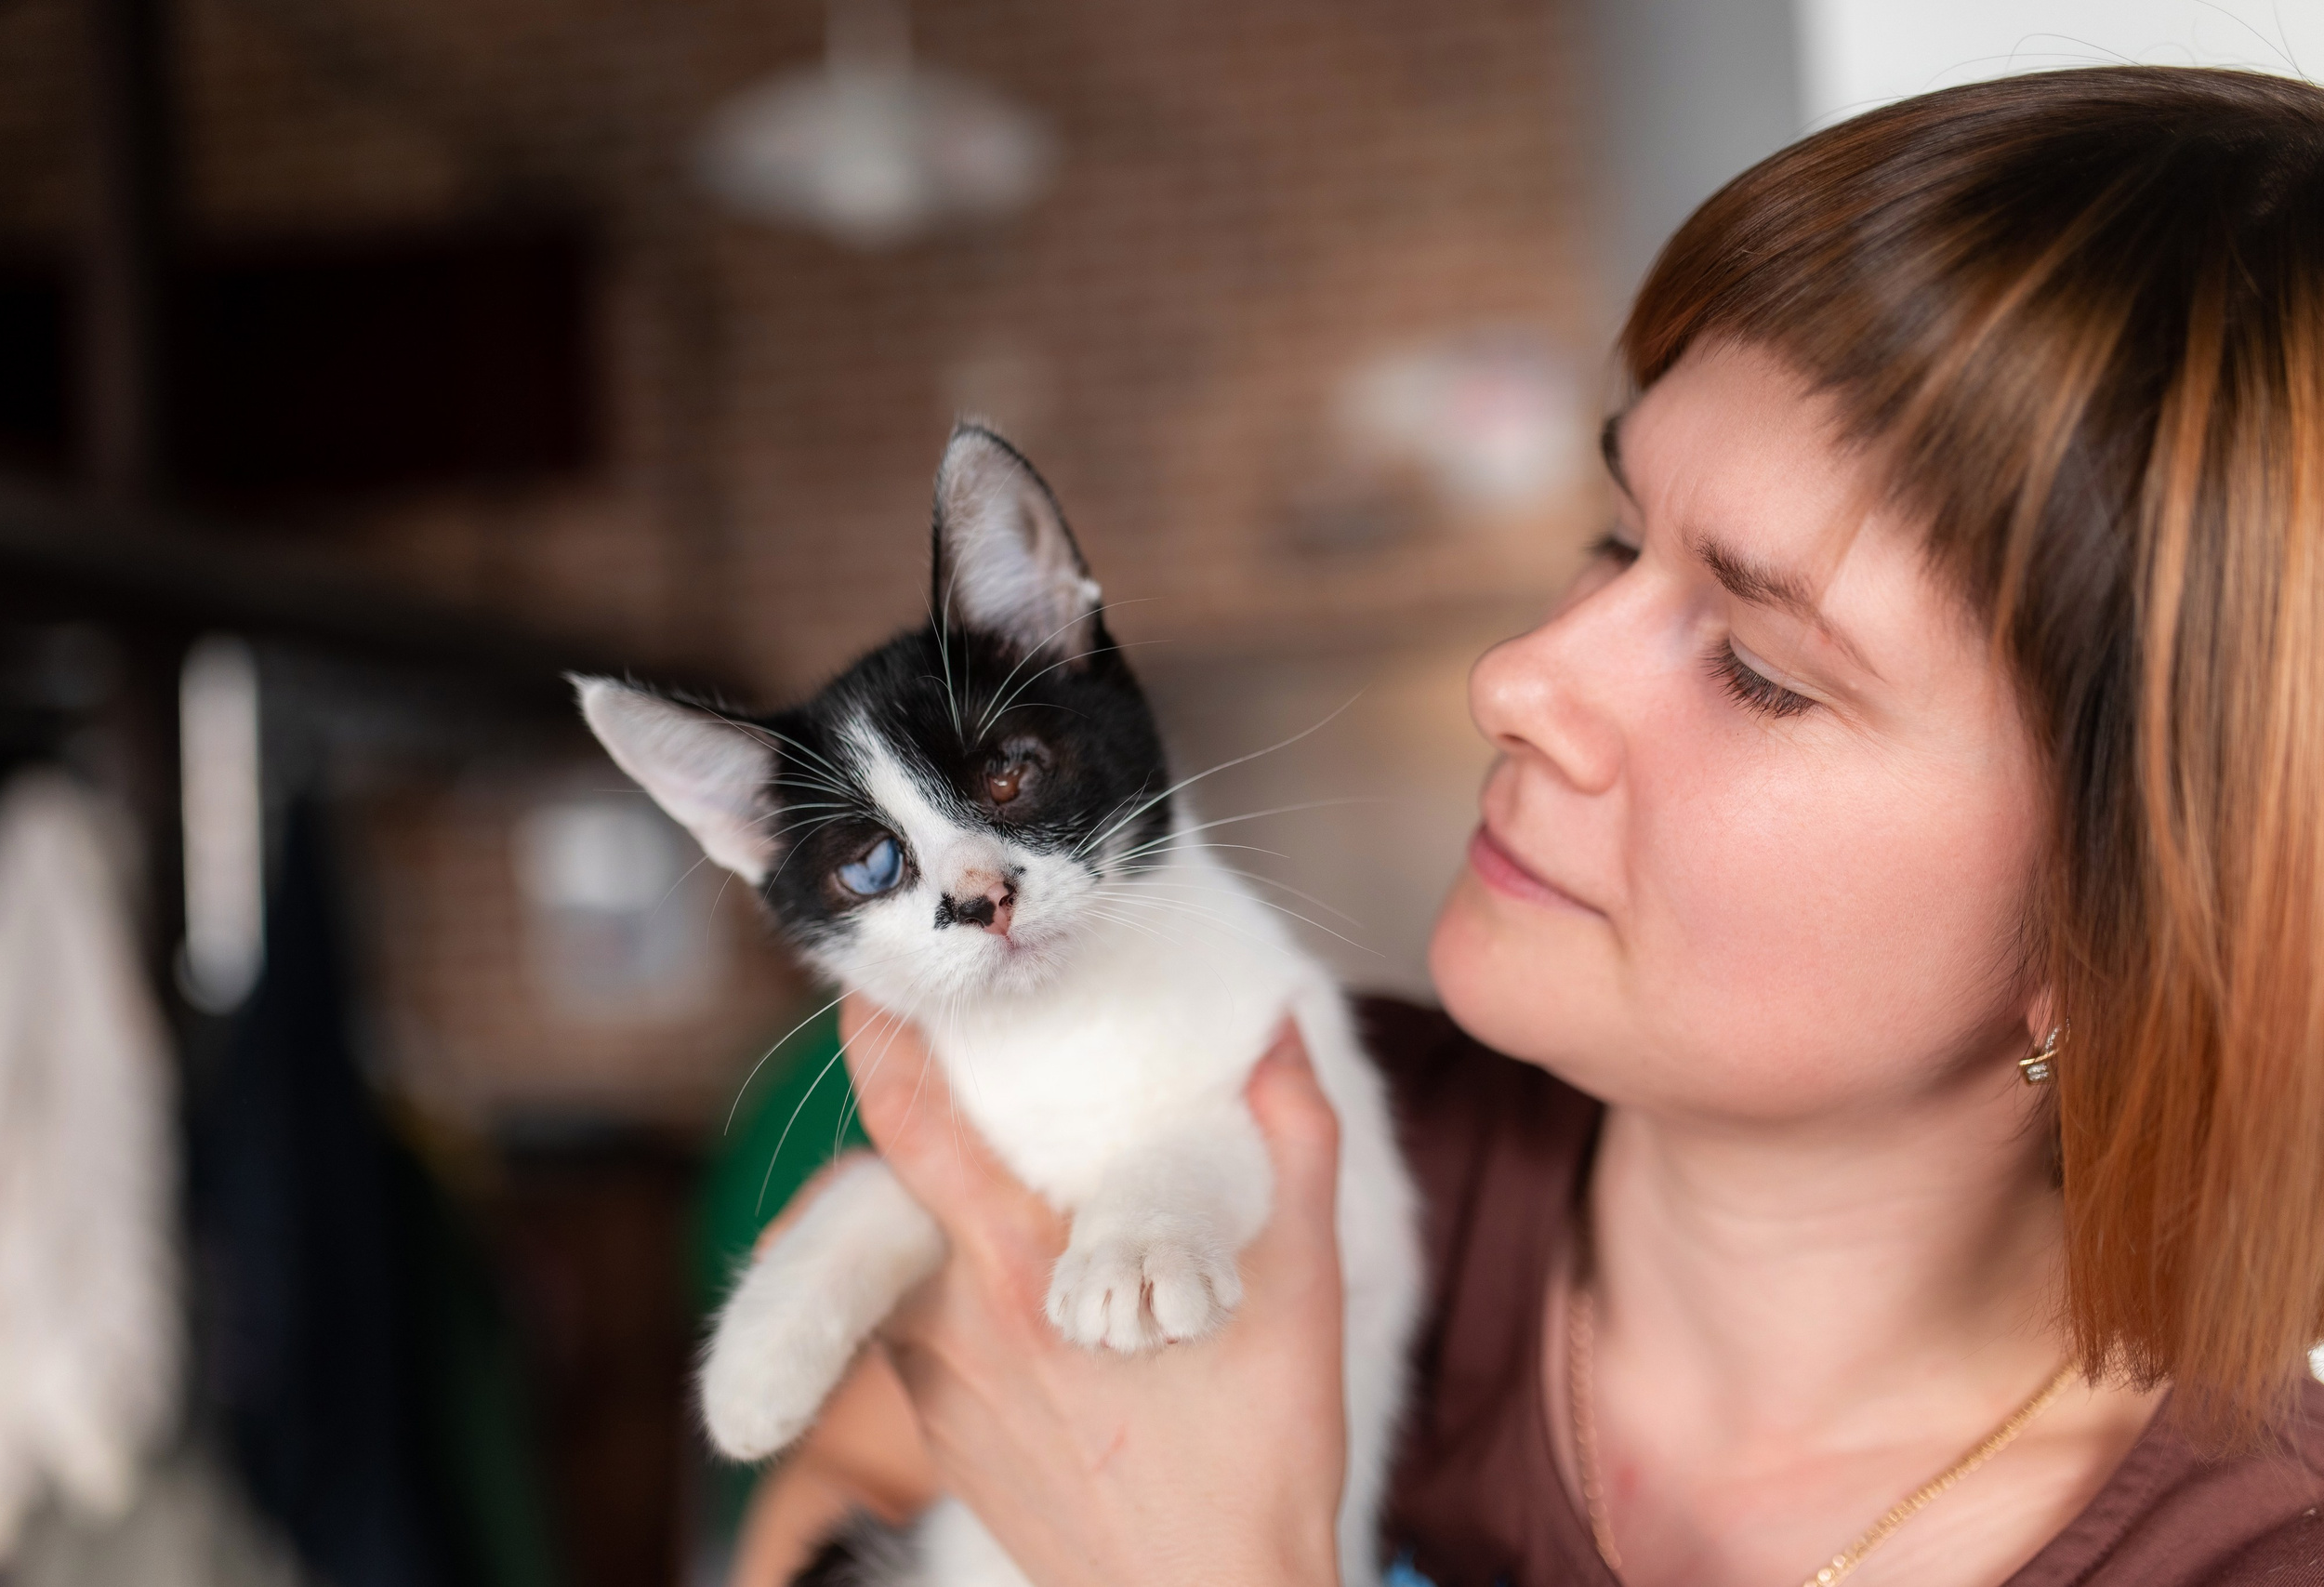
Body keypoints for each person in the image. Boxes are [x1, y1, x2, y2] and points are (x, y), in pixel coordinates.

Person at [726, 66, 2324, 1587]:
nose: (1516, 677)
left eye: (1764, 672)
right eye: (1611, 536)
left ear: (2127, 938)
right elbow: (844, 1484)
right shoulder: (1272, 1106)